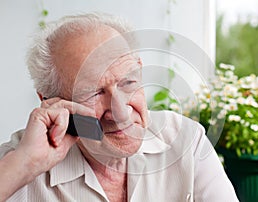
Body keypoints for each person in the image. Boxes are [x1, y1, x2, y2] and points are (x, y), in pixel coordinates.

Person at [0, 12, 238, 202]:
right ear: (49, 102)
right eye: (92, 93)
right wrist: (25, 165)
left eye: (128, 82)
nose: (121, 113)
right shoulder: (18, 163)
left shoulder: (187, 140)